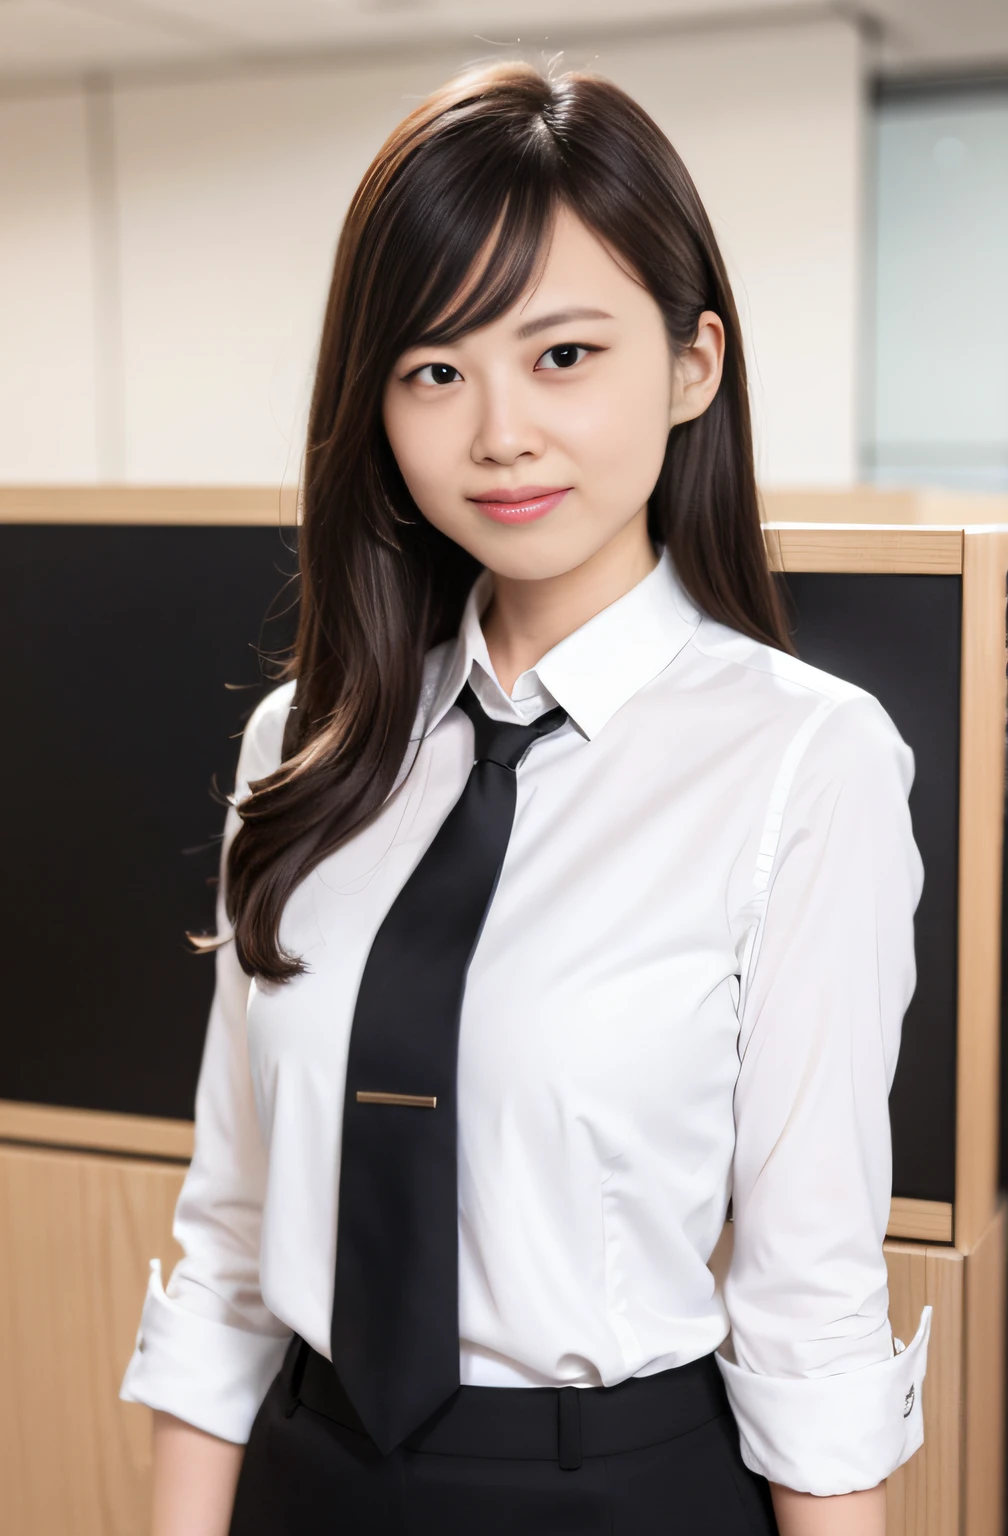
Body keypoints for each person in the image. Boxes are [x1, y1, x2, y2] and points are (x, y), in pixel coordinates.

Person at [120, 58, 931, 1536]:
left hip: (613, 1491)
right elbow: (233, 1239)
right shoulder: (303, 746)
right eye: (435, 368)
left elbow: (809, 1305)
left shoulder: (805, 763)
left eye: (562, 355)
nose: (498, 431)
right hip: (300, 1477)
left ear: (694, 365)